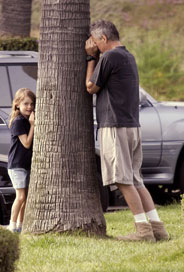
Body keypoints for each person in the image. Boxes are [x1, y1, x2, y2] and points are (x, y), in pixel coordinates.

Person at [85, 20, 169, 242]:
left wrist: (91, 58)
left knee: (123, 180)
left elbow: (91, 87)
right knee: (135, 179)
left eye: (94, 41)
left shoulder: (110, 57)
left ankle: (143, 231)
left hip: (115, 126)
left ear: (103, 39)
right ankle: (158, 229)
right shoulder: (128, 56)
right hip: (132, 125)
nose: (92, 45)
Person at [7, 88, 36, 233]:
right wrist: (32, 126)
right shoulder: (18, 121)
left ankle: (21, 225)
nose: (29, 107)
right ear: (17, 104)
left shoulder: (27, 119)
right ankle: (12, 225)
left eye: (32, 104)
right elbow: (26, 143)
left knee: (26, 198)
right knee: (21, 196)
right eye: (26, 104)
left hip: (26, 165)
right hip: (16, 165)